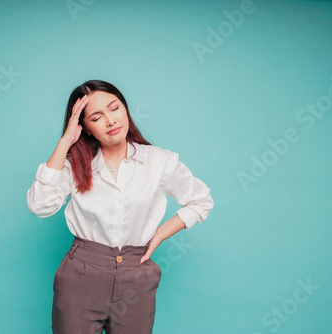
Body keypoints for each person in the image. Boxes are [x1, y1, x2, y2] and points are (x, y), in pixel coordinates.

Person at [26, 80, 214, 334]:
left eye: (114, 108)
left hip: (136, 277)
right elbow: (39, 206)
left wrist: (160, 233)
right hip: (81, 274)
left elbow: (202, 200)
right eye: (96, 117)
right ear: (87, 129)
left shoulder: (159, 161)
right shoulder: (74, 165)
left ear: (125, 109)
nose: (110, 120)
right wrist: (65, 141)